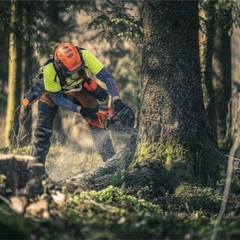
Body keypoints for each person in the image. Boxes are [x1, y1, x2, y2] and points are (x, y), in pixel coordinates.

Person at [24, 42, 133, 166]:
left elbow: (107, 77)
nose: (75, 72)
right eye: (72, 71)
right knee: (43, 128)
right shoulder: (50, 69)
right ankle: (36, 167)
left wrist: (116, 99)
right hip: (52, 92)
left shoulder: (85, 55)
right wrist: (80, 109)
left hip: (78, 87)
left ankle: (111, 162)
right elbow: (58, 98)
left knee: (97, 120)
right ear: (60, 66)